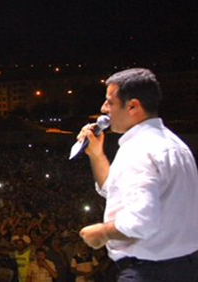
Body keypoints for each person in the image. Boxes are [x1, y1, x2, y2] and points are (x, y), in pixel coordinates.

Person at [77, 68, 198, 282]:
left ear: (133, 106)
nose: (103, 109)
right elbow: (114, 191)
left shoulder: (140, 150)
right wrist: (96, 155)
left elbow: (140, 222)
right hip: (186, 267)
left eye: (110, 102)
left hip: (149, 272)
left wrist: (102, 233)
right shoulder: (174, 144)